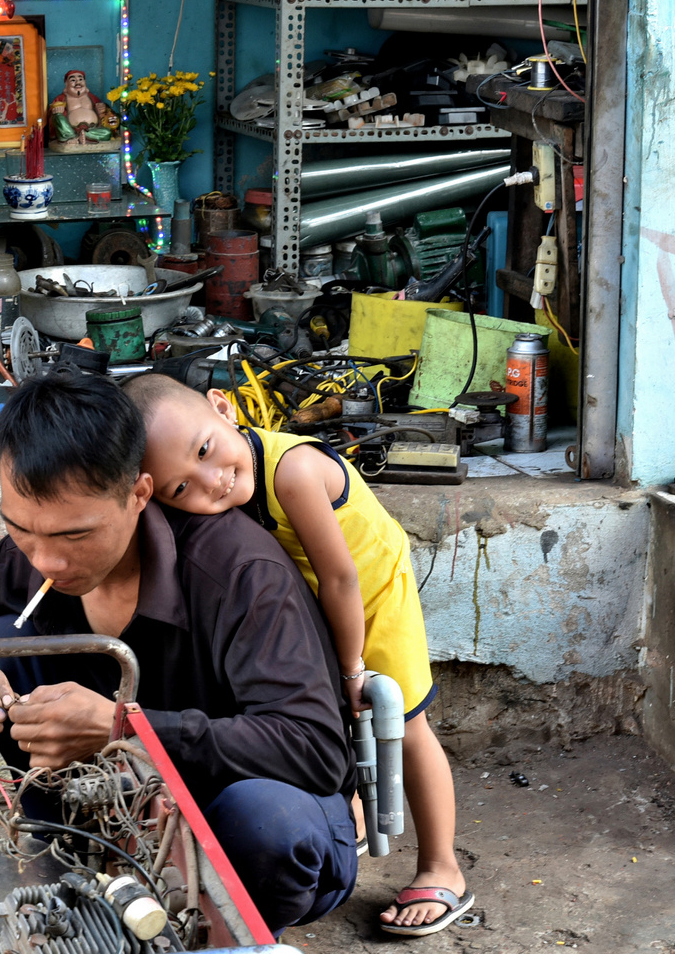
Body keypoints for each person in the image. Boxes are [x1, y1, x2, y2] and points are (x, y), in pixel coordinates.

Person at [0, 370, 359, 937]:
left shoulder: (240, 574)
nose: (46, 562)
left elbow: (314, 750)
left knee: (265, 822)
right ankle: (70, 862)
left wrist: (127, 727)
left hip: (254, 818)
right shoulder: (33, 555)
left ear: (139, 494)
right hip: (113, 815)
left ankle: (223, 933)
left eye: (75, 537)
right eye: (21, 529)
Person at [125, 373, 471, 938]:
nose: (211, 482)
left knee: (402, 721)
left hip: (370, 594)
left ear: (224, 407)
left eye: (206, 451)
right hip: (316, 596)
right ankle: (352, 814)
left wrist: (352, 666)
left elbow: (341, 577)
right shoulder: (230, 482)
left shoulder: (294, 472)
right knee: (325, 716)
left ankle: (442, 866)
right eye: (181, 489)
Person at [48, 70, 119, 147]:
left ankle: (83, 136)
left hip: (91, 129)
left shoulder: (92, 98)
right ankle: (72, 137)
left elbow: (106, 113)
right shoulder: (61, 99)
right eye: (73, 80)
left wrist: (103, 109)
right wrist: (57, 112)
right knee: (58, 117)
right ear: (66, 84)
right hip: (70, 130)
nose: (77, 83)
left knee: (107, 133)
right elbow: (52, 117)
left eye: (80, 79)